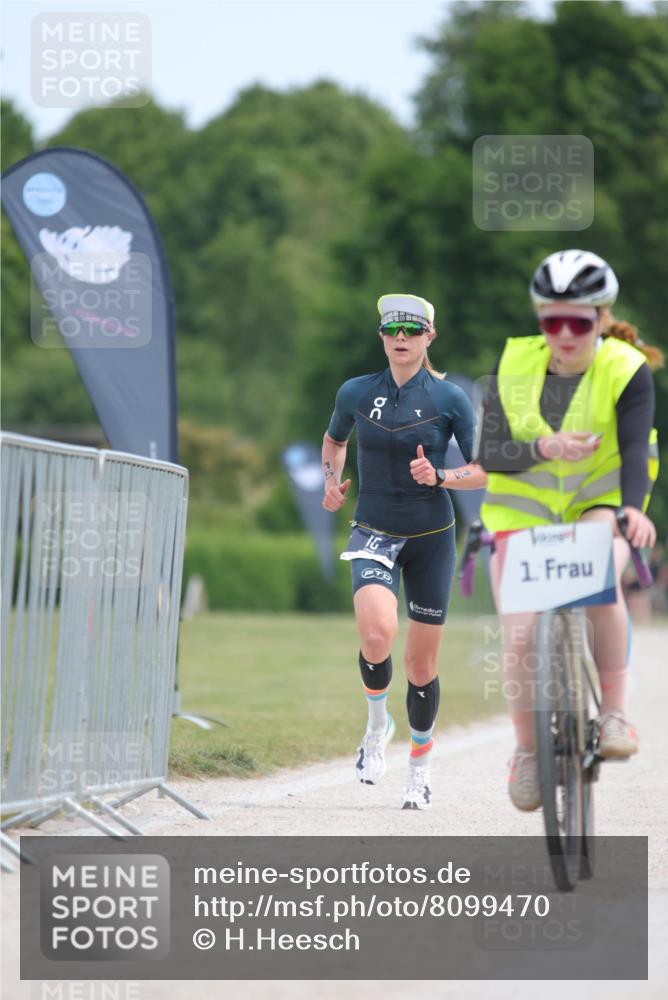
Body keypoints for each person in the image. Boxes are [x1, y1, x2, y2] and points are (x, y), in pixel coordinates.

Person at [476, 250, 663, 811]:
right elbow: (489, 452)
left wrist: (633, 510)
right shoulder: (514, 364)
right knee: (517, 629)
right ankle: (528, 752)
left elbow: (633, 446)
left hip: (599, 504)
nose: (563, 334)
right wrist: (544, 448)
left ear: (602, 319)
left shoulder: (625, 369)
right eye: (549, 320)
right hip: (522, 513)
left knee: (600, 576)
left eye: (577, 322)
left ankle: (614, 714)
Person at [322, 294, 486, 809]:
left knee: (420, 666)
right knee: (376, 636)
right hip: (373, 528)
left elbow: (483, 468)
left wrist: (440, 475)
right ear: (381, 335)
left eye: (412, 331)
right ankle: (376, 728)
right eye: (392, 328)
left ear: (428, 338)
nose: (401, 337)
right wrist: (331, 483)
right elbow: (334, 442)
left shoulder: (450, 398)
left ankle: (420, 767)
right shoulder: (355, 391)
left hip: (431, 538)